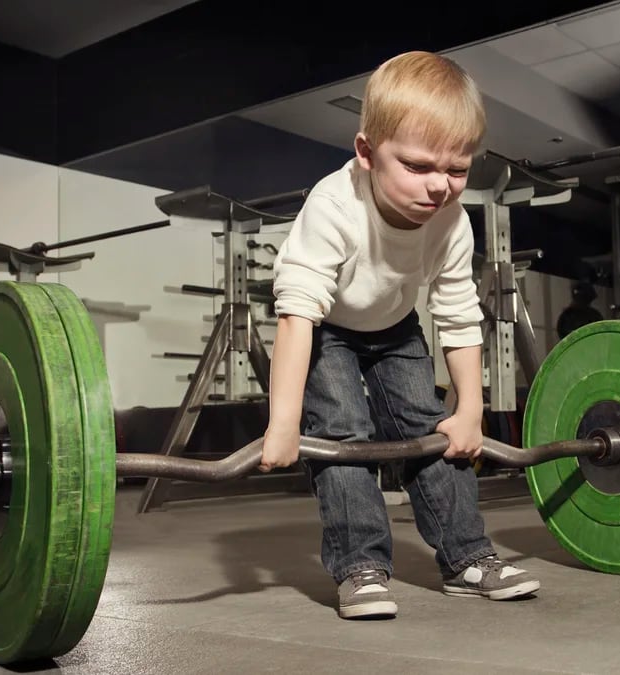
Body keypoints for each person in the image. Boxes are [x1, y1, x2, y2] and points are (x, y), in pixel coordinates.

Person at [258, 50, 541, 620]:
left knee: (433, 432)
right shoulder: (334, 206)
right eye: (416, 167)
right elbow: (297, 316)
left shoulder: (452, 222)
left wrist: (470, 410)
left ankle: (467, 558)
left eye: (457, 170)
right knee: (341, 435)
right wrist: (284, 423)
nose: (439, 187)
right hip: (327, 328)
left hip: (394, 327)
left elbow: (459, 314)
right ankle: (360, 565)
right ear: (366, 153)